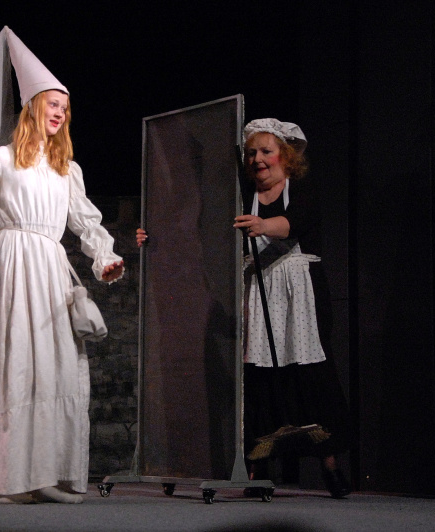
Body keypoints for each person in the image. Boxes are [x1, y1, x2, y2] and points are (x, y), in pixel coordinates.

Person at [0, 27, 124, 504]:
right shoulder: (0, 159)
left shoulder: (67, 170)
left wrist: (105, 257)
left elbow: (86, 222)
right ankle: (13, 479)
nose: (59, 113)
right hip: (13, 263)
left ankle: (49, 473)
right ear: (32, 107)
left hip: (50, 264)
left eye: (65, 108)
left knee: (57, 367)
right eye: (52, 104)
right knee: (19, 364)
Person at [136, 118, 351, 499]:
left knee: (310, 375)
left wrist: (263, 225)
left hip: (299, 291)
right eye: (252, 153)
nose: (257, 159)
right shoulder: (243, 196)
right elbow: (204, 233)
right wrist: (156, 236)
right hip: (259, 288)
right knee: (259, 379)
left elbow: (297, 222)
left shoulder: (300, 187)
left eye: (266, 151)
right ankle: (258, 467)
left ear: (285, 155)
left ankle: (330, 466)